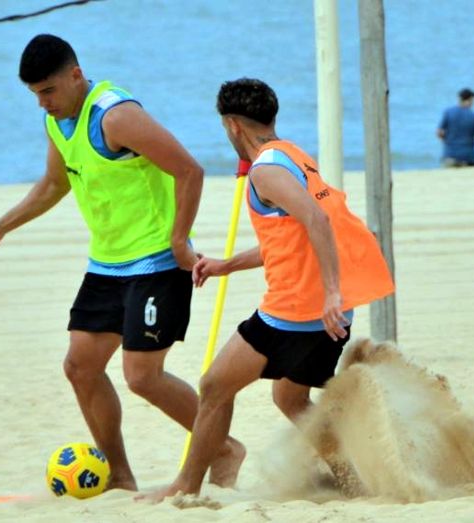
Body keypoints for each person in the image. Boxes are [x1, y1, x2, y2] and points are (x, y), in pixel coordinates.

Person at [0, 34, 244, 491]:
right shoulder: (58, 122)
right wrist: (2, 226)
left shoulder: (115, 116)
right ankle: (120, 475)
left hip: (156, 262)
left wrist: (178, 241)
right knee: (80, 367)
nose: (43, 103)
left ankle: (225, 447)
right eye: (35, 95)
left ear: (76, 76)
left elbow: (189, 170)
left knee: (141, 377)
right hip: (107, 266)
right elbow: (55, 185)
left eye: (49, 91)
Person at [140, 78, 395, 502]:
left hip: (296, 311)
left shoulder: (266, 169)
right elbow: (288, 238)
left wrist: (330, 291)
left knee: (215, 386)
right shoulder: (294, 156)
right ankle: (355, 482)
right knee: (291, 398)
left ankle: (186, 485)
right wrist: (226, 266)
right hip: (332, 315)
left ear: (233, 126)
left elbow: (318, 221)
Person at [437, 88, 474, 167]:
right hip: (468, 158)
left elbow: (439, 132)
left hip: (449, 156)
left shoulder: (448, 113)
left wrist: (447, 142)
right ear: (470, 100)